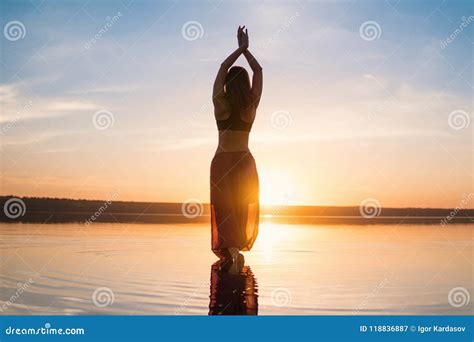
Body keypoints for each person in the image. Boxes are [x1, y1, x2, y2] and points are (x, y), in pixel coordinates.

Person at [210, 26, 263, 273]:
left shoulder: (221, 105)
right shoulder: (250, 108)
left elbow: (222, 68)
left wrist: (239, 49)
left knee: (224, 208)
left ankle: (231, 253)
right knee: (243, 206)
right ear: (244, 85)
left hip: (222, 161)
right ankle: (237, 251)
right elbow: (259, 71)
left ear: (229, 86)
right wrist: (247, 52)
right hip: (244, 161)